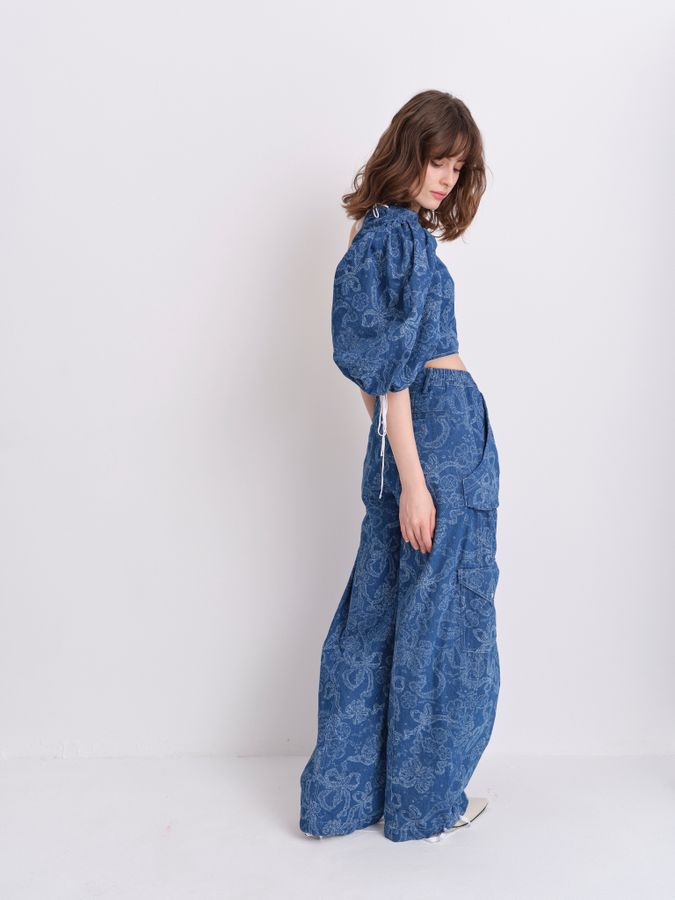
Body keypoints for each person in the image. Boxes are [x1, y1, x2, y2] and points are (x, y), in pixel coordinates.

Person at [299, 90, 501, 844]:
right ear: (406, 151)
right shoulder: (399, 239)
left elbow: (375, 376)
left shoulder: (372, 234)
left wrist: (394, 457)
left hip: (407, 441)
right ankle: (424, 803)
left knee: (383, 615)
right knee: (438, 623)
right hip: (436, 444)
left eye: (457, 167)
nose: (447, 179)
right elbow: (393, 373)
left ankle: (344, 801)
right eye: (438, 161)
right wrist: (415, 481)